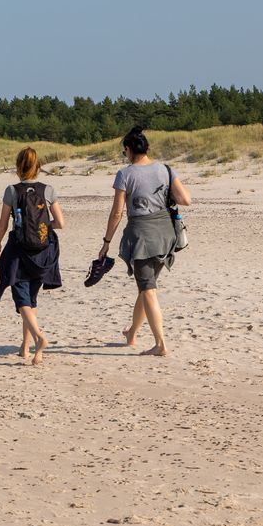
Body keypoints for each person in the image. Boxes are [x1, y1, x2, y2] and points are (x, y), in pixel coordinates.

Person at [98, 126, 192, 357]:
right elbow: (185, 199)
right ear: (147, 148)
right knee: (146, 286)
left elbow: (117, 213)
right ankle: (132, 333)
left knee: (148, 289)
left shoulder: (125, 174)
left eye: (124, 152)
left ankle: (160, 344)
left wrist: (107, 241)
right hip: (166, 234)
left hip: (141, 236)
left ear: (128, 150)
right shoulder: (166, 170)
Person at [0, 147, 65, 365]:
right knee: (31, 300)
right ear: (38, 167)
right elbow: (60, 223)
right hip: (43, 251)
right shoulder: (48, 189)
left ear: (18, 167)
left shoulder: (12, 191)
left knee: (21, 298)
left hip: (19, 250)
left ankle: (39, 338)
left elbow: (4, 222)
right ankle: (27, 349)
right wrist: (43, 229)